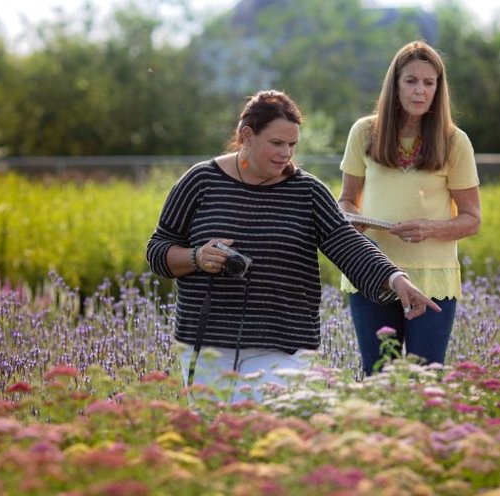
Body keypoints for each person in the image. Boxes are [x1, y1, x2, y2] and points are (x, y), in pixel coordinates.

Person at [146, 89, 440, 402]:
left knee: (272, 433)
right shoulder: (200, 181)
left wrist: (396, 279)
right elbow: (158, 249)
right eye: (276, 143)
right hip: (207, 348)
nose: (286, 153)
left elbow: (348, 243)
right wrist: (197, 257)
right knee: (217, 441)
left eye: (292, 144)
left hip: (283, 348)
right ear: (247, 136)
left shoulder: (308, 191)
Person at [338, 41, 481, 374]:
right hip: (371, 273)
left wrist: (430, 228)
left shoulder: (454, 141)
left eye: (429, 83)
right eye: (411, 81)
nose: (420, 91)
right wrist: (349, 218)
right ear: (395, 85)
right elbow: (345, 199)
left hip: (432, 277)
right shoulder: (364, 132)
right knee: (378, 376)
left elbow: (472, 219)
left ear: (438, 89)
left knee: (427, 379)